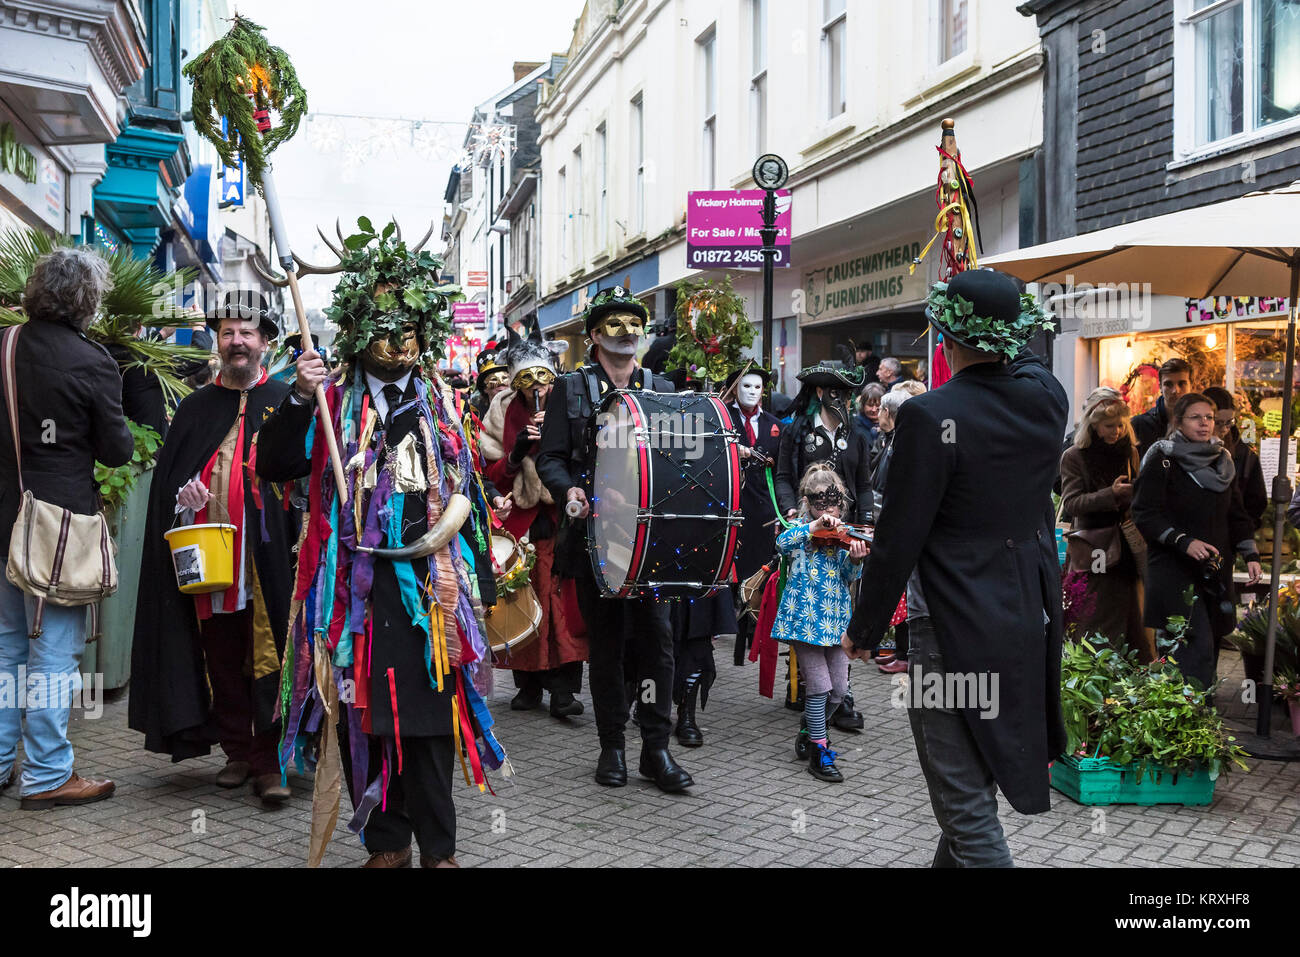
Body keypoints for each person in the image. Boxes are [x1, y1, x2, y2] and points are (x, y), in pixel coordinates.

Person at [257, 224, 505, 868]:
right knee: (370, 715)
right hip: (354, 596)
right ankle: (386, 844)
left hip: (430, 589)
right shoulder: (329, 400)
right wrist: (298, 397)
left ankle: (440, 850)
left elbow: (467, 495)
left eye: (411, 323)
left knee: (430, 719)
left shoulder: (444, 403)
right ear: (359, 329)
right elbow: (275, 464)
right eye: (384, 323)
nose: (400, 338)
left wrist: (487, 579)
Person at [843, 269, 1067, 868]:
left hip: (951, 626)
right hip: (1025, 617)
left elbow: (898, 539)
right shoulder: (1047, 398)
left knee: (966, 806)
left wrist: (864, 630)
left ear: (942, 336)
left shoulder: (929, 415)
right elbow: (1029, 361)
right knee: (976, 783)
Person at [128, 291, 297, 806]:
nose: (238, 341)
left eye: (247, 332)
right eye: (228, 333)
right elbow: (171, 485)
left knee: (269, 654)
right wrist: (184, 496)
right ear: (218, 342)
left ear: (265, 342)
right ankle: (237, 751)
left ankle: (270, 762)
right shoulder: (196, 408)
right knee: (220, 652)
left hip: (269, 557)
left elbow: (306, 475)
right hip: (210, 556)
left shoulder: (289, 402)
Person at [535, 285, 693, 792]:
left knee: (658, 644)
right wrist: (571, 491)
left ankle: (656, 749)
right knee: (605, 644)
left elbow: (681, 461)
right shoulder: (570, 388)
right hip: (593, 539)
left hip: (651, 541)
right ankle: (611, 747)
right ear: (595, 335)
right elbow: (550, 459)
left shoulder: (662, 388)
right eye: (614, 325)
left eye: (633, 324)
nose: (627, 333)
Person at [0, 248, 132, 809]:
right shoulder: (91, 361)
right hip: (57, 527)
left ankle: (3, 761)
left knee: (6, 646)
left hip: (2, 518)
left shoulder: (4, 344)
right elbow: (118, 449)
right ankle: (48, 774)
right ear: (88, 301)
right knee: (54, 650)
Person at [479, 328, 588, 719]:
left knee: (563, 602)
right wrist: (517, 452)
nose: (536, 386)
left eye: (543, 376)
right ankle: (528, 684)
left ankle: (563, 688)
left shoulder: (568, 400)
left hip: (563, 514)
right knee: (524, 598)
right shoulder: (501, 408)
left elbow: (585, 454)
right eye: (527, 378)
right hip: (523, 520)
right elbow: (490, 470)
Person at [1131, 392, 1262, 690]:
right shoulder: (1163, 459)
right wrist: (1182, 541)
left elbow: (1237, 513)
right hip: (1174, 571)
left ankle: (1198, 718)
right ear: (1179, 421)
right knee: (1191, 648)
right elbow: (1144, 513)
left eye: (1209, 418)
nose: (1204, 423)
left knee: (1210, 646)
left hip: (1214, 573)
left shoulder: (1222, 461)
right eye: (1195, 417)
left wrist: (1251, 554)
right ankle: (1188, 718)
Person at [775, 361, 871, 731]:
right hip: (804, 527)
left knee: (840, 602)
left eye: (847, 392)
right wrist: (791, 515)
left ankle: (838, 694)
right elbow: (784, 477)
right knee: (806, 604)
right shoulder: (797, 430)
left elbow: (862, 484)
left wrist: (865, 526)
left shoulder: (856, 434)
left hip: (845, 534)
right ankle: (804, 687)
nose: (843, 398)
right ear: (819, 392)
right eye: (836, 391)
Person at [774, 465, 868, 782]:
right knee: (819, 688)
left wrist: (855, 560)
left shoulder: (842, 536)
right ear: (808, 503)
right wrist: (812, 526)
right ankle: (819, 751)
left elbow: (848, 577)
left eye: (832, 504)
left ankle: (810, 728)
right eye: (819, 504)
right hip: (804, 621)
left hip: (836, 620)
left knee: (839, 692)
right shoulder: (800, 531)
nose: (827, 510)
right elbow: (782, 544)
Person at [1059, 387, 1147, 660]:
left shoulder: (1129, 452)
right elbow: (1071, 503)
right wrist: (1110, 495)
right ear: (1093, 425)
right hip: (1091, 549)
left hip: (1126, 551)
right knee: (1092, 622)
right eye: (1109, 425)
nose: (1117, 431)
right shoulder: (1074, 456)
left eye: (1121, 424)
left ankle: (1128, 686)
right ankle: (1095, 679)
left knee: (1132, 623)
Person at [725, 365, 783, 667]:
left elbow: (783, 469)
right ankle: (729, 621)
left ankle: (753, 627)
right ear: (736, 388)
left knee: (759, 567)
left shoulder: (775, 425)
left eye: (757, 387)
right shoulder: (724, 417)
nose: (751, 391)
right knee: (732, 563)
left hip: (763, 509)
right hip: (731, 505)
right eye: (746, 385)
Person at [870, 388, 919, 676]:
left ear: (890, 413)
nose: (877, 415)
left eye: (882, 411)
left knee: (905, 592)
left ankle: (906, 653)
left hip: (897, 526)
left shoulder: (903, 442)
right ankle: (900, 651)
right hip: (885, 521)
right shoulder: (889, 440)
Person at [1203, 386, 1267, 529]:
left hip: (1227, 539)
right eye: (1218, 422)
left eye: (1229, 423)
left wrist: (1239, 531)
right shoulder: (1183, 450)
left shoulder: (1245, 456)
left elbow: (1256, 504)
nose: (1224, 429)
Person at [1131, 357, 1192, 460]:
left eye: (1181, 384)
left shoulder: (1201, 424)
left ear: (1191, 385)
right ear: (1160, 387)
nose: (1175, 390)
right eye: (1168, 384)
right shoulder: (1140, 425)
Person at [471, 342, 509, 416]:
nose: (501, 383)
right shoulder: (476, 414)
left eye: (504, 378)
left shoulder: (522, 409)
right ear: (485, 388)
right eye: (494, 379)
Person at [855, 382, 884, 450]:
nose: (874, 410)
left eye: (878, 405)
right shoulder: (855, 425)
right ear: (863, 405)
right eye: (870, 405)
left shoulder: (889, 426)